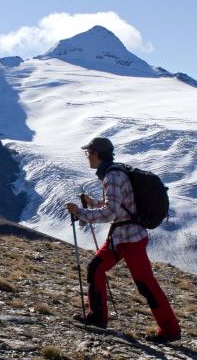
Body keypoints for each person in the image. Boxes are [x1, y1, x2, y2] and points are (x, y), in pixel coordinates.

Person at [66, 137, 181, 343]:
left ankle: (170, 330)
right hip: (122, 237)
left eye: (89, 153)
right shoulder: (114, 173)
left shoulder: (113, 176)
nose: (87, 157)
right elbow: (117, 205)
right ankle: (97, 318)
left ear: (96, 154)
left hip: (129, 239)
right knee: (96, 268)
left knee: (146, 284)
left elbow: (111, 212)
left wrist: (81, 212)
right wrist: (91, 203)